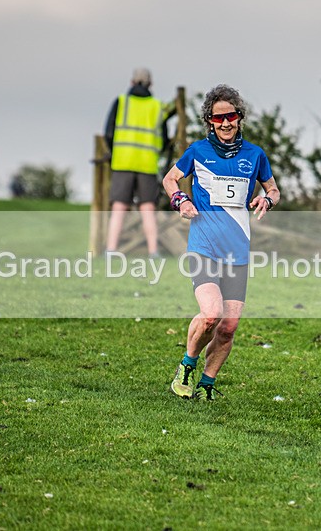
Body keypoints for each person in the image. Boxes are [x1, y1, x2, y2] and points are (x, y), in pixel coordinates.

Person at [162, 84, 280, 400]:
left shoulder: (254, 155)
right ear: (209, 121)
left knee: (228, 327)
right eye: (218, 118)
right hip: (204, 247)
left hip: (237, 251)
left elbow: (273, 188)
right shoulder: (197, 151)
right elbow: (169, 179)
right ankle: (187, 365)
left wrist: (267, 199)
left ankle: (206, 385)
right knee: (211, 314)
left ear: (239, 117)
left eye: (231, 116)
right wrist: (181, 200)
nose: (225, 123)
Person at [104, 68, 168, 258]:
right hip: (147, 164)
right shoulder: (157, 106)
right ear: (151, 84)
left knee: (119, 207)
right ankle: (153, 251)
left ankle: (110, 250)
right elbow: (164, 138)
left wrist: (115, 152)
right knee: (147, 208)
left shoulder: (121, 102)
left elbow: (108, 133)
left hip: (122, 161)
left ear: (132, 82)